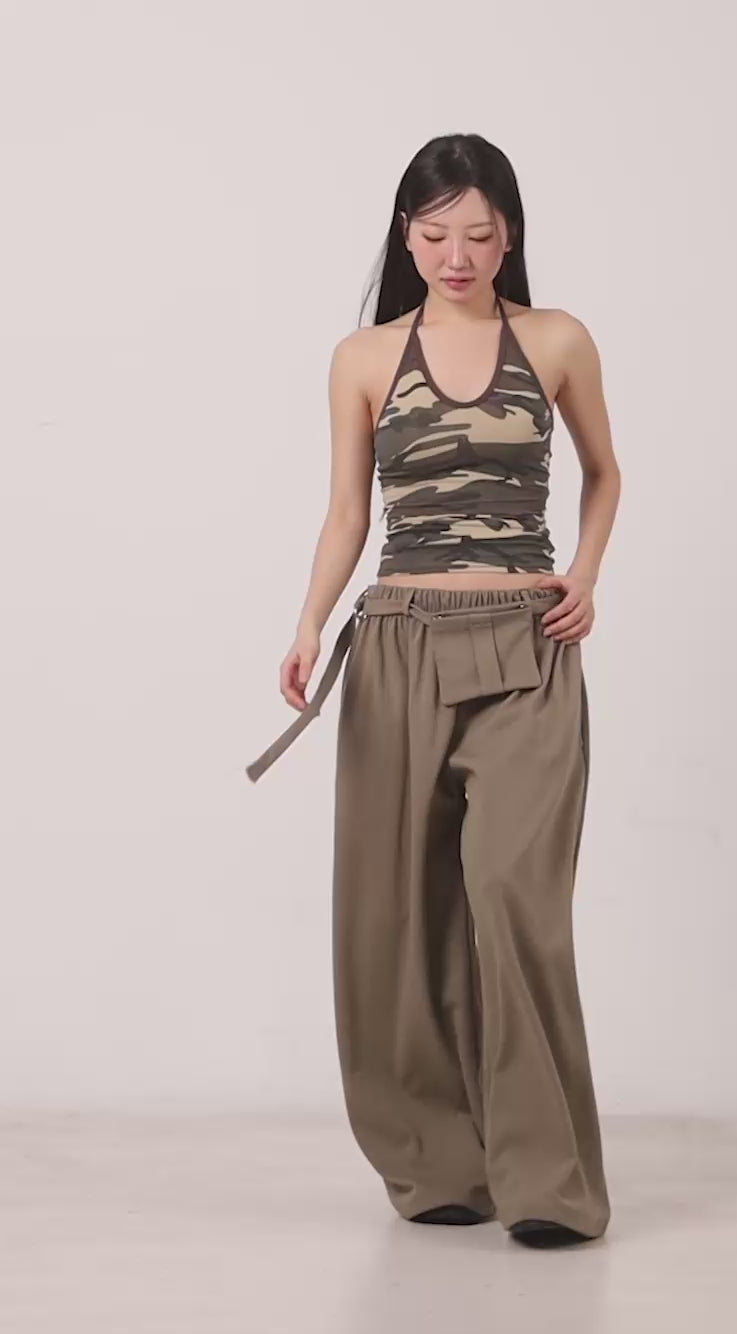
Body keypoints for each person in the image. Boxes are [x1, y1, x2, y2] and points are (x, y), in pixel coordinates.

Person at [246, 133, 621, 1249]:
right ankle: (438, 1163)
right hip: (400, 641)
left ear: (510, 236)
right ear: (405, 238)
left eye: (478, 233)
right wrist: (309, 622)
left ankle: (547, 1182)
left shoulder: (556, 339)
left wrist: (584, 577)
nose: (456, 254)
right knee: (398, 912)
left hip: (526, 645)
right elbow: (347, 513)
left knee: (513, 898)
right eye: (434, 232)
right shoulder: (363, 357)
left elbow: (605, 473)